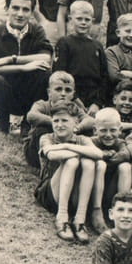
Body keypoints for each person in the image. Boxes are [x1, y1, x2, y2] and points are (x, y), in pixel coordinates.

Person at [0, 0, 52, 133]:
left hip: (28, 92)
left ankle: (29, 122)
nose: (20, 14)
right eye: (15, 8)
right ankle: (2, 118)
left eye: (26, 10)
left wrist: (10, 59)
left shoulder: (36, 31)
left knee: (45, 74)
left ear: (31, 13)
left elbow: (46, 57)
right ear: (6, 9)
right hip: (3, 90)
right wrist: (23, 67)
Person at [35, 100, 101, 242]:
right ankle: (62, 217)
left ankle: (80, 220)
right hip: (50, 193)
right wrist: (81, 153)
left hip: (74, 194)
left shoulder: (82, 139)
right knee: (72, 161)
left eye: (64, 120)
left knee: (89, 163)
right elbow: (52, 155)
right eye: (56, 121)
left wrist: (66, 146)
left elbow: (98, 154)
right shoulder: (47, 137)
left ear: (76, 122)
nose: (59, 125)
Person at [52, 0, 109, 110]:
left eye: (87, 20)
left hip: (93, 98)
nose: (83, 23)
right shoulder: (64, 43)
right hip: (70, 96)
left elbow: (104, 77)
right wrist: (74, 99)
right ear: (70, 19)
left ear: (92, 21)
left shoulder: (97, 46)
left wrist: (97, 103)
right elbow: (59, 74)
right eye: (79, 19)